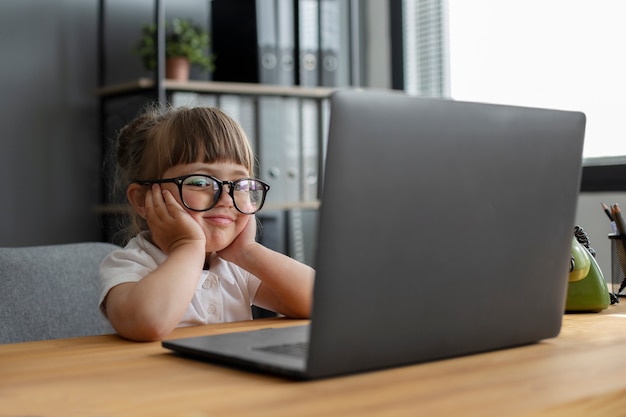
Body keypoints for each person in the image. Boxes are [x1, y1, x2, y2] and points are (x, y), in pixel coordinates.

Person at [99, 105, 315, 342]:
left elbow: (320, 303)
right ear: (142, 200)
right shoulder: (130, 264)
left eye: (239, 184)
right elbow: (147, 323)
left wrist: (248, 252)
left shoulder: (236, 266)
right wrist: (187, 245)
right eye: (201, 182)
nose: (225, 198)